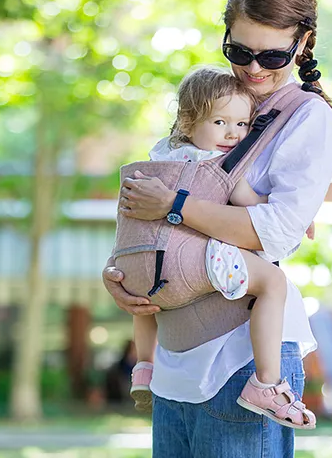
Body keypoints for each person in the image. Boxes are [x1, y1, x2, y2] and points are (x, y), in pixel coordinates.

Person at [104, 0, 332, 456]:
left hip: (243, 360)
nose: (254, 69)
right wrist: (121, 274)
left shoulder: (306, 118)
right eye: (240, 52)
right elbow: (143, 210)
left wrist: (175, 206)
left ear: (304, 42)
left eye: (273, 55)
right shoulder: (204, 106)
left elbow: (273, 233)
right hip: (173, 361)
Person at [128, 66, 315, 429]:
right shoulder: (219, 165)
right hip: (202, 254)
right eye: (219, 122)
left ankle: (144, 366)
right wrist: (298, 215)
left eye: (242, 124)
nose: (233, 134)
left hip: (152, 255)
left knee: (147, 301)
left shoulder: (161, 155)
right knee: (273, 284)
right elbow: (250, 204)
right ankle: (266, 383)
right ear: (187, 120)